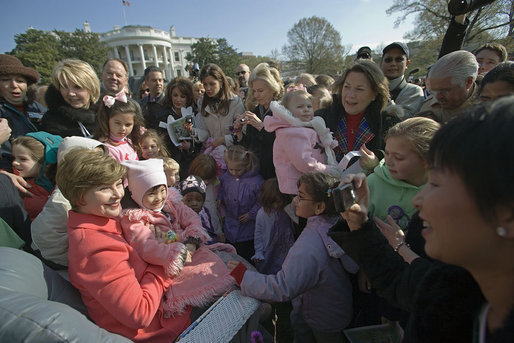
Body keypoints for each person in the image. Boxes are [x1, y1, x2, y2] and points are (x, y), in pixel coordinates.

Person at [330, 96, 514, 343]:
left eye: (436, 183)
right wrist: (358, 223)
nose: (419, 201)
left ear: (507, 214)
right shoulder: (456, 286)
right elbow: (398, 281)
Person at [56, 149, 192, 342]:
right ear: (80, 197)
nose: (117, 194)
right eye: (104, 188)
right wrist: (161, 261)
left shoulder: (105, 218)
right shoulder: (95, 248)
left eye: (119, 183)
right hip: (163, 330)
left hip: (168, 305)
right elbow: (140, 314)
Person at [230, 172, 359, 343]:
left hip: (320, 316)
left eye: (300, 196)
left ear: (319, 207)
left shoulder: (310, 246)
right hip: (332, 307)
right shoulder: (336, 223)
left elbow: (283, 286)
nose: (295, 201)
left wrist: (244, 276)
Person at [120, 159, 234, 317]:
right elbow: (148, 248)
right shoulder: (136, 220)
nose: (159, 197)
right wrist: (178, 252)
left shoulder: (171, 202)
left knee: (220, 269)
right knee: (197, 286)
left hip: (190, 249)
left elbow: (191, 217)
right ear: (137, 192)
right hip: (170, 263)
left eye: (162, 190)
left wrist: (192, 240)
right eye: (151, 193)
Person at [30, 136, 107, 269]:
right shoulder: (63, 196)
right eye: (93, 160)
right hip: (60, 261)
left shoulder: (87, 187)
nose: (100, 164)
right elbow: (48, 237)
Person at [366, 117, 440, 230]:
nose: (388, 161)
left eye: (398, 158)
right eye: (386, 153)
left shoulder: (442, 192)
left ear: (427, 160)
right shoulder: (372, 184)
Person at [317, 60, 397, 163]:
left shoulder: (388, 124)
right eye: (347, 87)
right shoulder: (321, 118)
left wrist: (377, 161)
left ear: (375, 94)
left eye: (359, 89)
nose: (351, 95)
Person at [264, 90, 340, 195]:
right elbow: (305, 162)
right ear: (287, 112)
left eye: (309, 106)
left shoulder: (305, 126)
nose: (306, 110)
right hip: (297, 187)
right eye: (300, 107)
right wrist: (327, 170)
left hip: (306, 183)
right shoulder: (293, 132)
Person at [234, 62, 285, 180]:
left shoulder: (283, 111)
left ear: (273, 88)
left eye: (260, 91)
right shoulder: (257, 111)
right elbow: (251, 148)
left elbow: (284, 145)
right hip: (259, 174)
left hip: (278, 175)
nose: (256, 95)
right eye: (254, 91)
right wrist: (240, 134)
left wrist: (262, 127)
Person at [217, 145, 263, 263]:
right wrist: (220, 198)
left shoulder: (256, 181)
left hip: (249, 229)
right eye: (231, 169)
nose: (234, 172)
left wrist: (251, 214)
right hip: (230, 225)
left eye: (238, 170)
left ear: (246, 165)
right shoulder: (226, 177)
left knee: (246, 257)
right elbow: (222, 189)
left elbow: (261, 201)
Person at [0, 54, 46, 171]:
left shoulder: (38, 109)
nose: (14, 85)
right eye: (5, 80)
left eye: (20, 81)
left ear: (27, 85)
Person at [41, 59, 100, 138]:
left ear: (92, 88)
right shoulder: (52, 120)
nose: (70, 93)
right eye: (64, 87)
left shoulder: (106, 113)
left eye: (77, 87)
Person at [11, 132, 62, 221]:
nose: (14, 163)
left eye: (23, 159)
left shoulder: (61, 186)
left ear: (44, 162)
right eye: (13, 158)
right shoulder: (10, 182)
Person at [420, 50, 479, 123]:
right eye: (434, 91)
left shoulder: (490, 105)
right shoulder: (428, 107)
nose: (438, 97)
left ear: (468, 82)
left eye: (444, 91)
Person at [194, 63, 245, 148]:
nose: (208, 88)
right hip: (211, 152)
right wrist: (193, 132)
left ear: (221, 82)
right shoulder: (201, 103)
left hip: (232, 153)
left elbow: (242, 131)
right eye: (205, 84)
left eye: (212, 84)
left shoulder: (236, 102)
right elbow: (204, 131)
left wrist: (224, 139)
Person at [158, 76, 199, 179]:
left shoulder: (194, 113)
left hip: (190, 161)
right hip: (170, 159)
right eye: (175, 95)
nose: (178, 100)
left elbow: (201, 138)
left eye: (182, 96)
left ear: (188, 97)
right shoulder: (162, 114)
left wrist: (190, 146)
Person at [252, 177, 294, 275]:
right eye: (272, 202)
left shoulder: (287, 210)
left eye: (278, 201)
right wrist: (258, 251)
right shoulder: (262, 214)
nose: (275, 205)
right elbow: (258, 234)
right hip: (269, 249)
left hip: (286, 249)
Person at [94, 93, 144, 162]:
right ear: (107, 121)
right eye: (117, 123)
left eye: (128, 124)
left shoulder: (129, 142)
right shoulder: (107, 148)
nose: (123, 128)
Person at [380, 42, 424, 117]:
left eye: (399, 59)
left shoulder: (414, 91)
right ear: (381, 63)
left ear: (407, 64)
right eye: (388, 60)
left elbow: (404, 121)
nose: (393, 63)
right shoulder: (370, 88)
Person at [188, 154, 225, 242]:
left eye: (209, 178)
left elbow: (213, 212)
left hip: (214, 229)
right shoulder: (189, 188)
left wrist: (218, 232)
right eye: (203, 178)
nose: (206, 182)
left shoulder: (214, 186)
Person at [180, 174, 217, 244]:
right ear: (182, 201)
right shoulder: (180, 217)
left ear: (203, 202)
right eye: (189, 200)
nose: (194, 203)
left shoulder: (205, 213)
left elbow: (210, 233)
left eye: (198, 200)